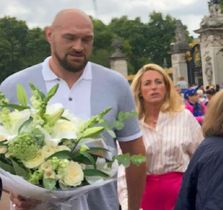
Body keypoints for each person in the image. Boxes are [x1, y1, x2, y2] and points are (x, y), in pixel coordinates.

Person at [0, 9, 146, 210]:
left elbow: (135, 154)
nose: (79, 47)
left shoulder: (115, 85)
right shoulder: (14, 86)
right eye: (70, 38)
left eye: (87, 40)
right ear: (49, 35)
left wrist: (134, 207)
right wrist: (15, 191)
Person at [118, 64, 204, 210]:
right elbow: (123, 170)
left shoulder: (184, 117)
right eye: (147, 83)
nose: (154, 87)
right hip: (144, 198)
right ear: (139, 91)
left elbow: (201, 160)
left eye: (159, 82)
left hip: (183, 196)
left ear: (167, 87)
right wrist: (128, 205)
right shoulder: (131, 124)